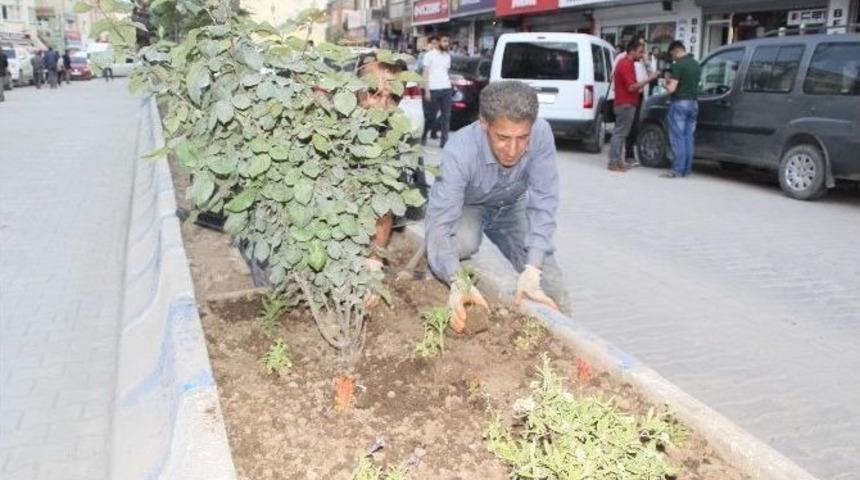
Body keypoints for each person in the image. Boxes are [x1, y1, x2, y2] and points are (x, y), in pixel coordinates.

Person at [425, 80, 569, 332]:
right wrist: (458, 281)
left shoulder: (542, 133)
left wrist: (533, 269)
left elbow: (543, 201)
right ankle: (437, 276)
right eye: (502, 138)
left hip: (512, 207)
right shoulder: (459, 151)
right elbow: (440, 224)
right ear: (484, 124)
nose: (513, 150)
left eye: (522, 138)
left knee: (552, 285)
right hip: (469, 207)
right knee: (457, 243)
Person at [609, 40, 656, 172]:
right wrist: (648, 80)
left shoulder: (629, 63)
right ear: (632, 51)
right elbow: (631, 87)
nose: (642, 54)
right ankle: (614, 162)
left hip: (628, 101)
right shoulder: (625, 64)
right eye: (640, 52)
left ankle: (618, 161)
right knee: (620, 133)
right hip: (625, 102)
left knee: (622, 133)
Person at [661, 41, 702, 179]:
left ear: (675, 51)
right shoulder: (696, 64)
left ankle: (677, 170)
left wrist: (665, 83)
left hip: (680, 103)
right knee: (688, 137)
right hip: (694, 103)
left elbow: (672, 88)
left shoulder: (678, 64)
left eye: (672, 54)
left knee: (677, 137)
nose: (672, 57)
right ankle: (687, 169)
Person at [421, 34, 453, 147]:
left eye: (447, 42)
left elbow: (445, 72)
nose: (446, 44)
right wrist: (426, 90)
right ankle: (424, 135)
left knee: (446, 116)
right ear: (438, 42)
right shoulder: (429, 55)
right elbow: (425, 73)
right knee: (430, 116)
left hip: (446, 89)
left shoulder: (448, 56)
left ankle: (444, 142)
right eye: (444, 41)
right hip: (433, 89)